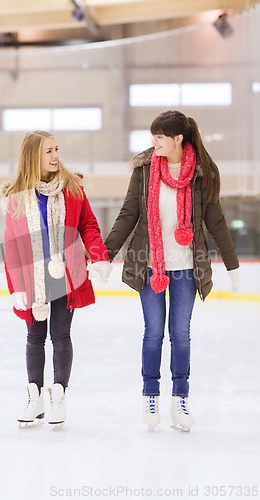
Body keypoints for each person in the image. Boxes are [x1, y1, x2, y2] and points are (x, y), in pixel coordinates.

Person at [105, 110, 240, 432]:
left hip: (187, 269)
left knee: (180, 335)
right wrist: (105, 254)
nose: (155, 142)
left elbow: (215, 221)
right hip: (151, 265)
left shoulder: (201, 173)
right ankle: (150, 394)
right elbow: (128, 214)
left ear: (178, 138)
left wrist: (232, 264)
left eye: (160, 137)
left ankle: (180, 399)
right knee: (153, 333)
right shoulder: (145, 170)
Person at [2, 130, 111, 428]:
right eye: (48, 151)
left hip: (66, 275)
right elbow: (11, 245)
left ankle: (59, 396)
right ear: (33, 157)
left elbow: (89, 224)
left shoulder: (72, 188)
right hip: (32, 279)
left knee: (61, 336)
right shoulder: (17, 198)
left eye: (56, 149)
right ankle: (34, 397)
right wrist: (15, 288)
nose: (55, 156)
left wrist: (98, 254)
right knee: (35, 338)